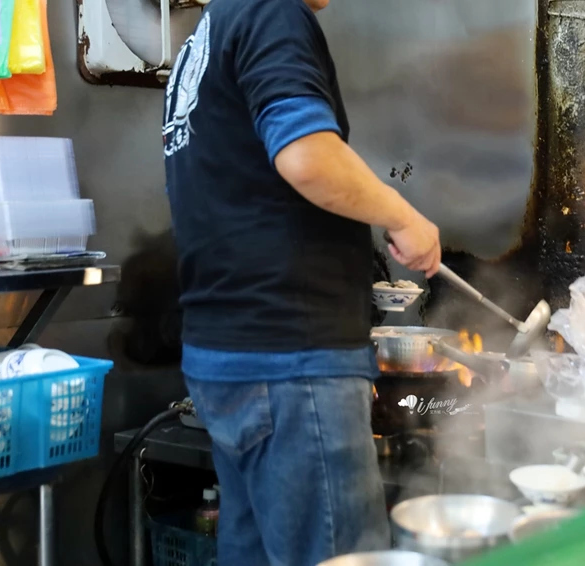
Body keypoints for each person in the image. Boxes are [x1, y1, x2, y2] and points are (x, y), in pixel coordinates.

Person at [162, 0, 441, 564]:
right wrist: (403, 216)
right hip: (290, 361)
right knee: (338, 556)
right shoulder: (272, 11)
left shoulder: (209, 31)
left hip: (228, 357)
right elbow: (307, 157)